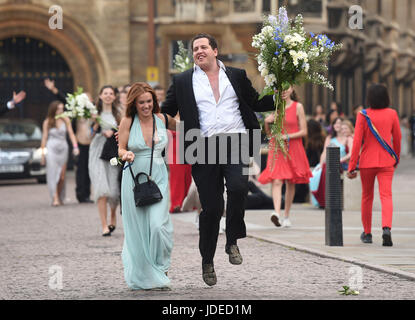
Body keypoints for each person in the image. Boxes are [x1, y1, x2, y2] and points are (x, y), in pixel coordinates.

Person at [161, 33, 275, 286]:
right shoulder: (182, 80)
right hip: (201, 145)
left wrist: (279, 96)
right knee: (211, 208)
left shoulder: (236, 75)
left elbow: (255, 101)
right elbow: (166, 110)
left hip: (236, 140)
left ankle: (232, 239)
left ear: (215, 50)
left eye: (203, 47)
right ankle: (207, 260)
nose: (199, 51)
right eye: (195, 49)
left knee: (238, 188)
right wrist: (147, 122)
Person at [118, 82, 177, 290]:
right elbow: (121, 148)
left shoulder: (161, 119)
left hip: (159, 177)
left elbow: (189, 125)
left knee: (158, 226)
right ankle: (145, 274)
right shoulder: (127, 121)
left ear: (154, 101)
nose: (146, 106)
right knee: (138, 231)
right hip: (134, 180)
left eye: (149, 101)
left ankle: (161, 267)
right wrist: (126, 154)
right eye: (141, 102)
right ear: (134, 104)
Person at [347, 84, 401, 247]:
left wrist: (352, 166)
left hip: (367, 162)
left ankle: (368, 233)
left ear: (369, 98)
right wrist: (395, 158)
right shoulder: (392, 114)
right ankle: (386, 228)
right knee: (386, 196)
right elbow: (397, 139)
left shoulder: (363, 115)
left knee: (367, 197)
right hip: (386, 161)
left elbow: (357, 142)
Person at [258, 87, 312, 228]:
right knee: (276, 180)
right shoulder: (276, 107)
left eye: (287, 87)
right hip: (277, 147)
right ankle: (276, 213)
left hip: (293, 146)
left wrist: (286, 136)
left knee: (290, 181)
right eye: (281, 88)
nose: (284, 91)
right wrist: (267, 123)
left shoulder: (297, 107)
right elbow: (270, 135)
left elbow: (304, 131)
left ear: (292, 88)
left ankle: (286, 215)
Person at [44, 78, 94, 203]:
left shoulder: (94, 112)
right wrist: (53, 89)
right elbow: (64, 100)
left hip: (91, 143)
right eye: (85, 99)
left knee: (89, 169)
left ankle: (87, 194)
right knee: (81, 170)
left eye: (89, 98)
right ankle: (81, 194)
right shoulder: (76, 111)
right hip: (80, 142)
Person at [89, 85, 121, 236]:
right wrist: (96, 125)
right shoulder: (94, 113)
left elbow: (124, 131)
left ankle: (113, 215)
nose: (108, 96)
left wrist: (114, 131)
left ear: (114, 96)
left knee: (114, 190)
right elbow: (88, 134)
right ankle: (104, 225)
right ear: (100, 96)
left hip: (113, 154)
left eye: (111, 93)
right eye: (105, 93)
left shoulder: (119, 114)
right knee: (102, 189)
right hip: (97, 152)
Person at [40, 101, 79, 206]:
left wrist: (75, 147)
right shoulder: (48, 121)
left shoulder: (66, 120)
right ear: (53, 110)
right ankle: (55, 197)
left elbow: (71, 134)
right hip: (51, 148)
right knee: (53, 174)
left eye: (62, 109)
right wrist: (43, 154)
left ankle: (59, 195)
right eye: (58, 109)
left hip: (63, 148)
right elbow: (44, 138)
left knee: (62, 176)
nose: (60, 111)